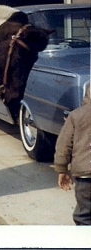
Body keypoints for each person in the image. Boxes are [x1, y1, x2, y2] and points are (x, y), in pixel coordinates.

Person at [54, 84, 91, 225]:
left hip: (85, 177)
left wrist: (61, 169)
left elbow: (64, 145)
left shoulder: (76, 116)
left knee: (84, 215)